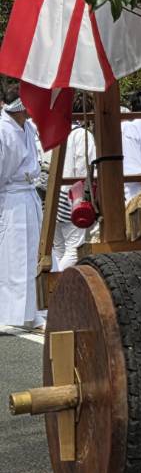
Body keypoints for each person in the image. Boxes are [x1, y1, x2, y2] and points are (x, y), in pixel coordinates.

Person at [0, 97, 45, 329]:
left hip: (28, 194)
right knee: (14, 255)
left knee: (31, 254)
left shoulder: (27, 127)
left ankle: (31, 310)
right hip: (11, 197)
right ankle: (11, 312)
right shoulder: (3, 130)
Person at [52, 110, 96, 271]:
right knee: (74, 250)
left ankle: (53, 280)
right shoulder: (81, 134)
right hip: (72, 196)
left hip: (51, 196)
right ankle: (58, 283)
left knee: (58, 248)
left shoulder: (52, 130)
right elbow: (85, 169)